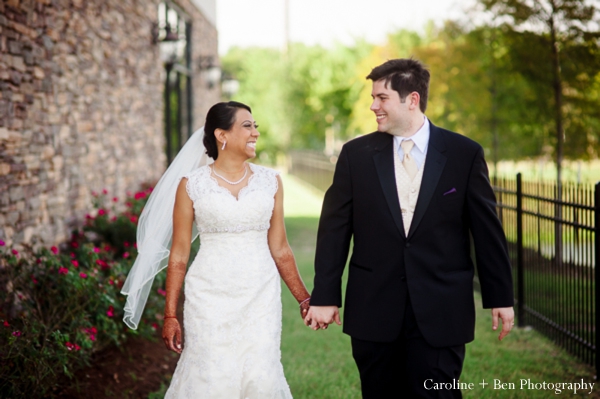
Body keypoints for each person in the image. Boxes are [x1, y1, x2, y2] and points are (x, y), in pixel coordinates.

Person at [305, 59, 515, 398]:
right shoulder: (356, 155)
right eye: (373, 98)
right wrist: (326, 295)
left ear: (412, 99)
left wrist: (501, 296)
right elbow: (334, 231)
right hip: (374, 308)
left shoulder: (464, 154)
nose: (373, 106)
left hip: (441, 308)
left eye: (382, 98)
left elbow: (487, 232)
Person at [121, 101, 310, 398]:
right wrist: (170, 315)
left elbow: (281, 248)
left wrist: (304, 298)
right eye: (247, 126)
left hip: (260, 293)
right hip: (208, 295)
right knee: (211, 373)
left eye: (255, 126)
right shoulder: (191, 185)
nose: (255, 133)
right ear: (222, 135)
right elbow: (180, 253)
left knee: (261, 374)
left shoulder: (270, 181)